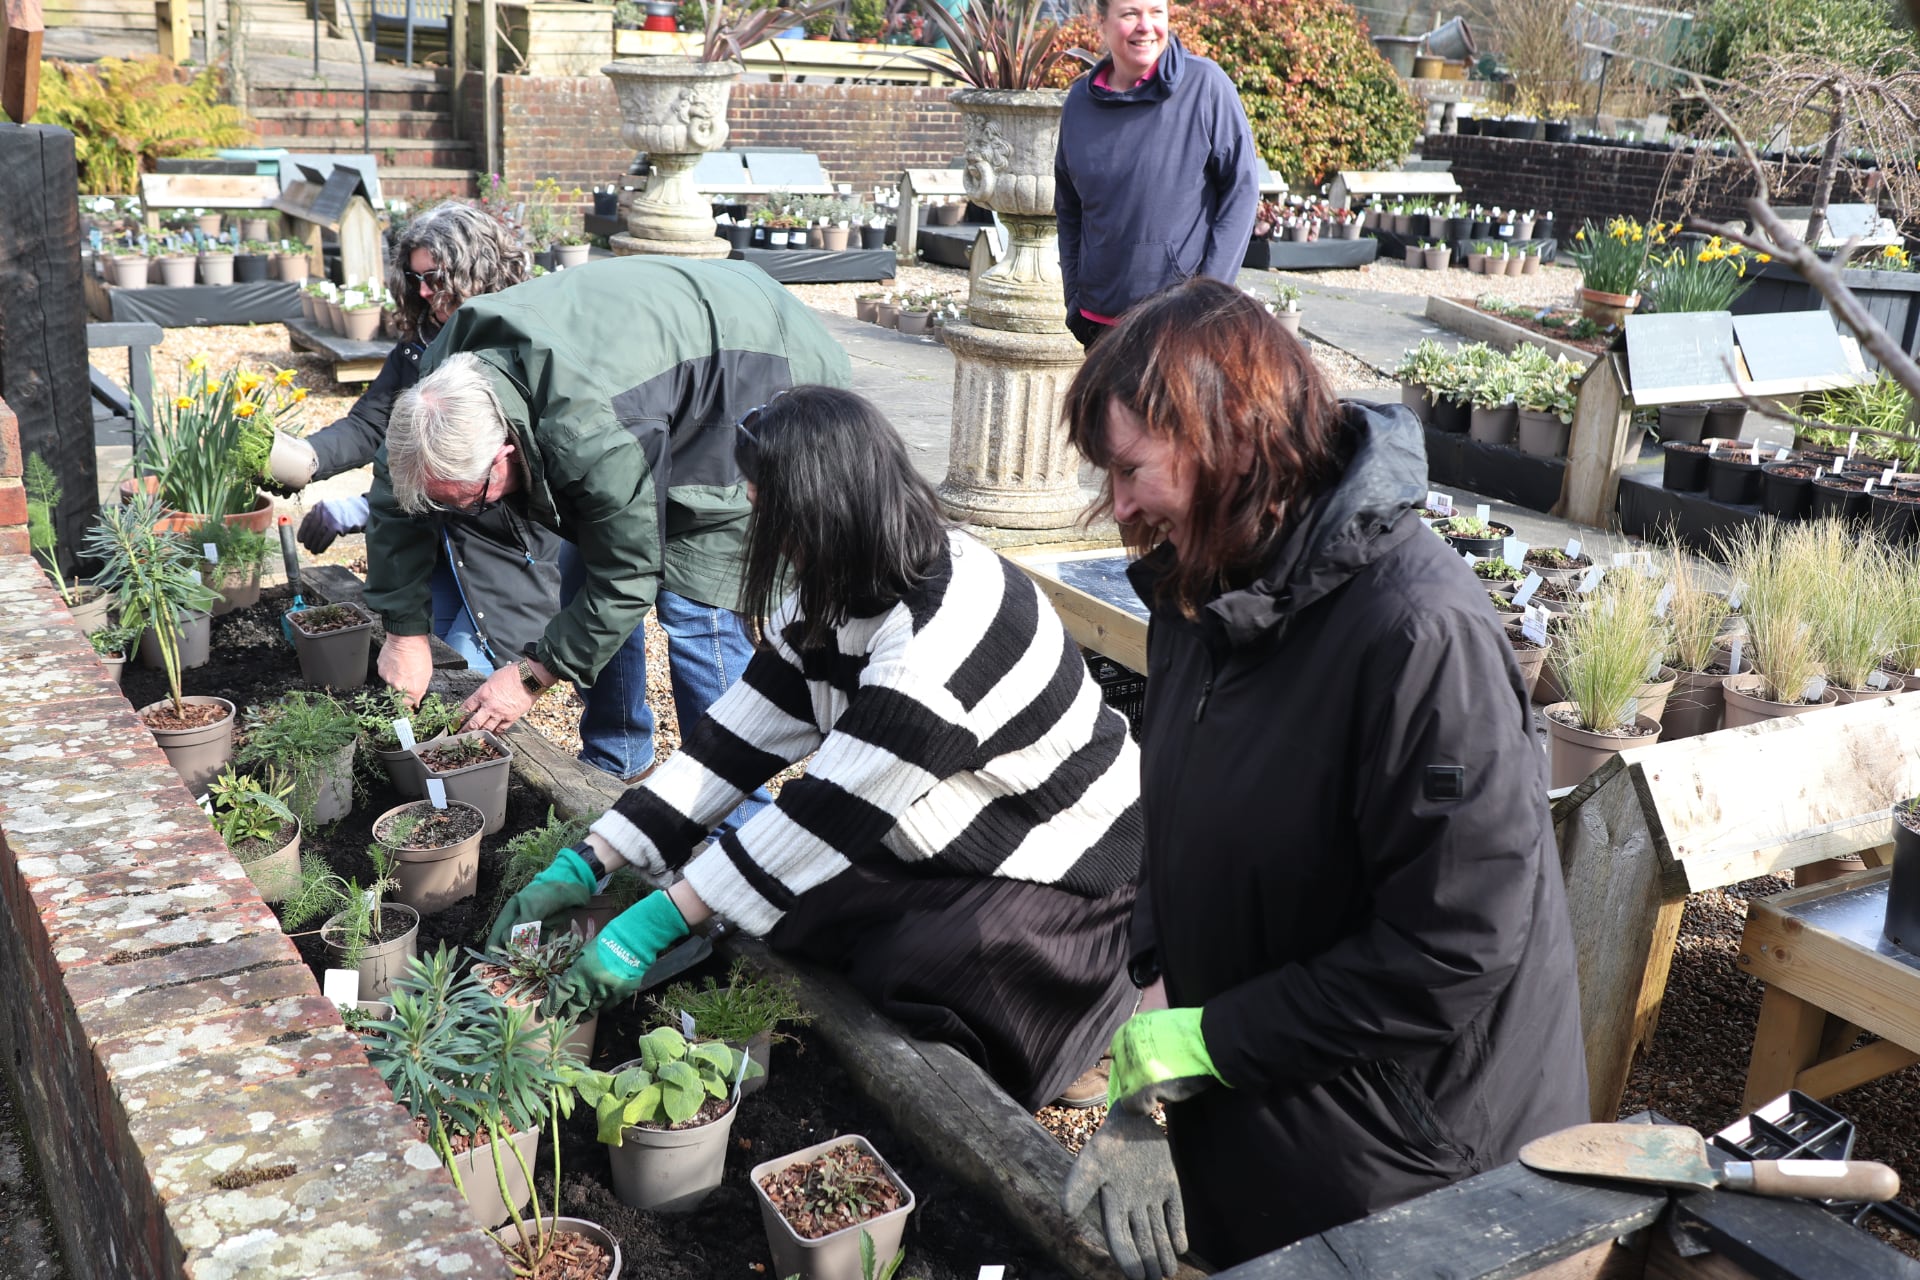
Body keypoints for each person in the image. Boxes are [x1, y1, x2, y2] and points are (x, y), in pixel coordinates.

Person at [1058, 279, 1587, 1277]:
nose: (1118, 505)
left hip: (1410, 1158)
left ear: (1231, 442)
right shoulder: (1202, 591)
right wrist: (1161, 996)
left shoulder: (1419, 636)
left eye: (1131, 469)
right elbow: (1187, 815)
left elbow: (1451, 948)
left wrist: (1213, 1038)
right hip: (1270, 1098)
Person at [485, 386, 1144, 1111]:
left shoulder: (940, 637)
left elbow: (828, 810)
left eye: (764, 507)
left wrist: (651, 924)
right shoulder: (843, 587)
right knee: (804, 920)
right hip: (940, 823)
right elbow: (728, 746)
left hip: (1065, 858)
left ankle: (1092, 1023)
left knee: (924, 967)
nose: (757, 524)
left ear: (820, 511)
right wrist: (592, 858)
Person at [366, 256, 852, 794]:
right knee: (583, 565)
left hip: (755, 366)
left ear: (504, 452)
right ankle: (617, 762)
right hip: (659, 360)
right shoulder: (438, 395)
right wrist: (404, 632)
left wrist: (531, 676)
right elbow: (395, 495)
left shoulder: (591, 434)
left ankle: (731, 817)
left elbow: (627, 574)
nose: (463, 515)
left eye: (470, 502)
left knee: (698, 608)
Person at [267, 202, 552, 676]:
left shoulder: (521, 346)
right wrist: (306, 456)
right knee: (428, 661)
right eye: (414, 277)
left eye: (435, 278)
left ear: (477, 270)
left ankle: (615, 728)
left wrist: (365, 506)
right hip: (440, 541)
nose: (422, 291)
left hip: (509, 550)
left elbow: (498, 469)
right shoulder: (421, 343)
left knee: (467, 670)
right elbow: (372, 423)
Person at [1053, 0, 1259, 349]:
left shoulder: (1205, 86)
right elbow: (1069, 206)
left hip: (1180, 328)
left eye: (1156, 11)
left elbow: (1242, 191)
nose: (1145, 26)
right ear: (1101, 22)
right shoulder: (1079, 103)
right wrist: (1074, 295)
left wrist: (1207, 301)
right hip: (1100, 324)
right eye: (1130, 13)